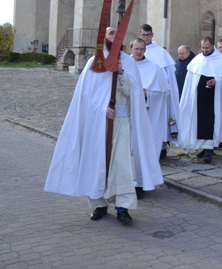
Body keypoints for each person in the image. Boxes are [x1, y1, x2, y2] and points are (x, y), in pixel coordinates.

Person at [45, 27, 163, 225]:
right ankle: (98, 204)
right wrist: (102, 110)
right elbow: (85, 98)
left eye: (117, 33)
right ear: (104, 38)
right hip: (97, 124)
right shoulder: (94, 63)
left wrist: (121, 73)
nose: (114, 36)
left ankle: (123, 207)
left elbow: (134, 93)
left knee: (122, 166)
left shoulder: (128, 62)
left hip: (122, 122)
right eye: (110, 33)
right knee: (96, 162)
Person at [177, 37, 222, 163]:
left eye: (207, 48)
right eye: (203, 48)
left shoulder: (221, 60)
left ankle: (209, 149)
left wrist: (217, 81)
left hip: (214, 99)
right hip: (198, 99)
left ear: (212, 47)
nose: (204, 50)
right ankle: (203, 147)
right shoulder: (197, 60)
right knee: (198, 122)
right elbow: (191, 79)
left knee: (210, 122)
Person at [138, 24, 180, 159]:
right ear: (140, 35)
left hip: (159, 96)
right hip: (139, 97)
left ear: (152, 35)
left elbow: (170, 78)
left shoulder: (161, 53)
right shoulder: (135, 53)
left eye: (148, 35)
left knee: (159, 122)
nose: (146, 37)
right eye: (143, 35)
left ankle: (161, 148)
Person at [131, 38, 173, 162]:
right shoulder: (124, 65)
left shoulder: (154, 68)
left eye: (141, 49)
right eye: (136, 49)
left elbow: (163, 92)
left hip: (148, 112)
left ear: (145, 50)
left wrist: (147, 93)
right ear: (130, 49)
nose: (139, 51)